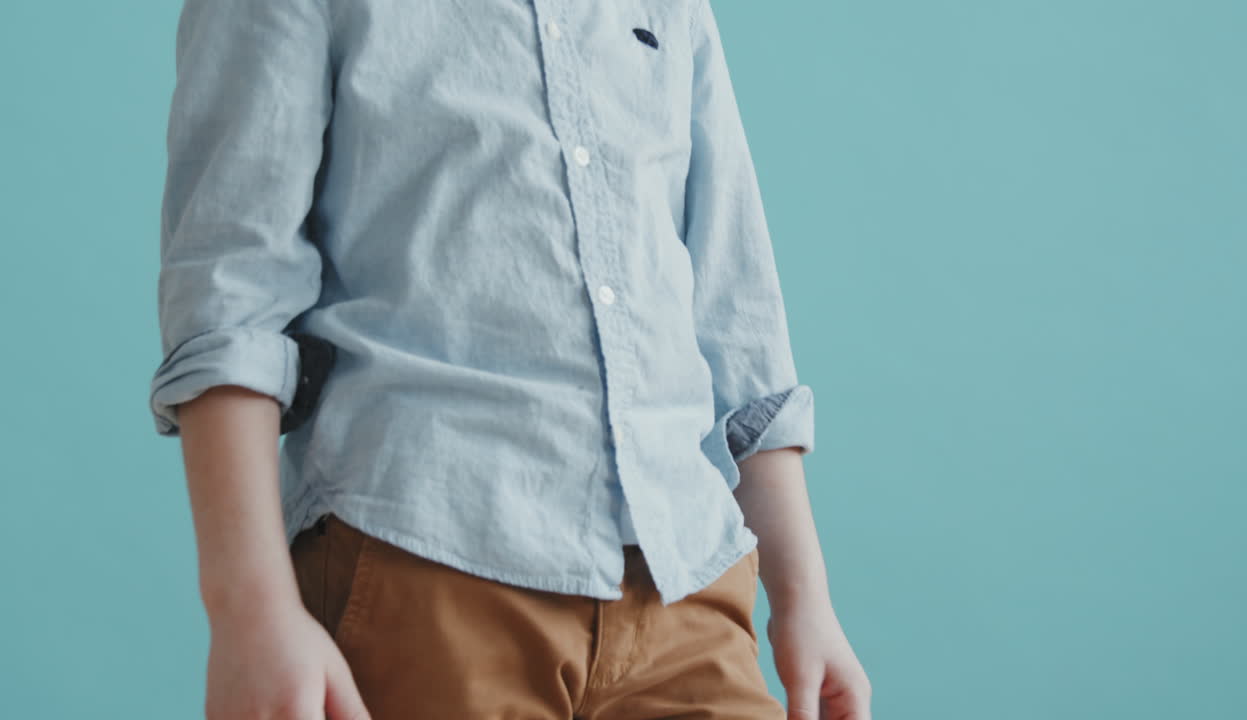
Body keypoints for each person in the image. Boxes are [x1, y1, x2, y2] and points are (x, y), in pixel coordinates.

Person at [148, 0, 871, 718]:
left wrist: (805, 597)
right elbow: (230, 298)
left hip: (685, 588)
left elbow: (734, 313)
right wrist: (248, 610)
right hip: (426, 569)